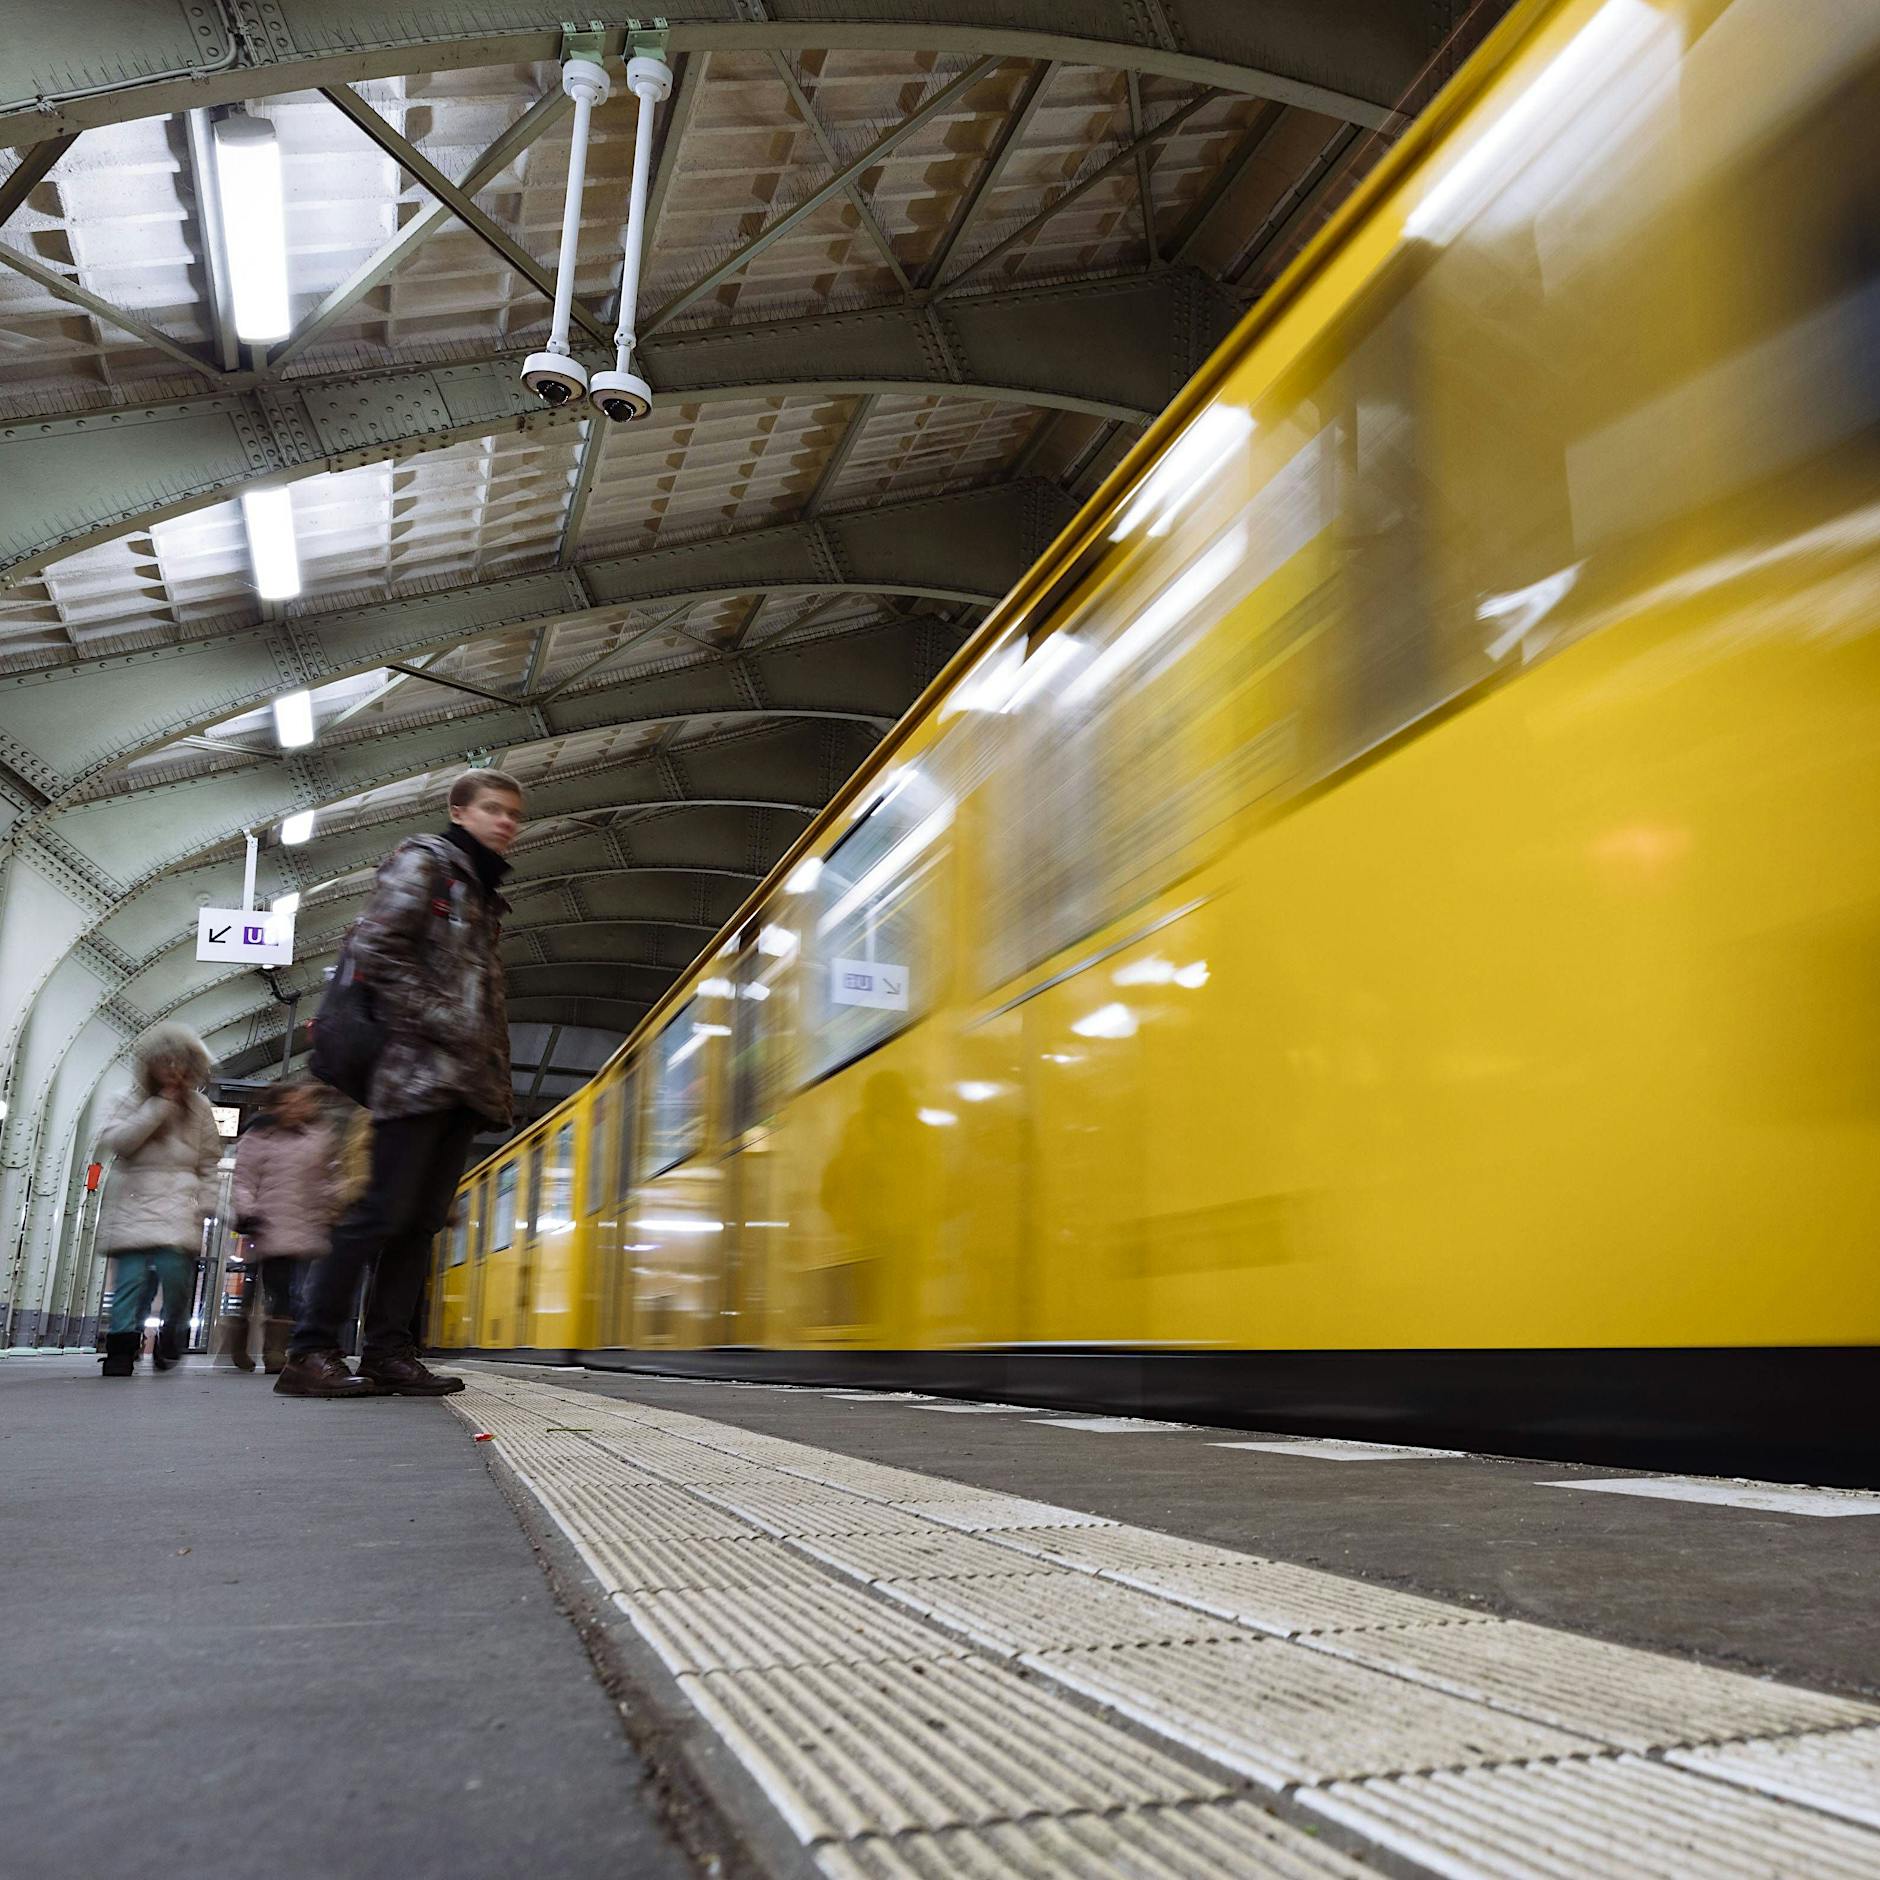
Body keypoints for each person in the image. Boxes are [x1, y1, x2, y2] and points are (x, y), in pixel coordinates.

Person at [275, 768, 521, 1398]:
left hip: (459, 1081)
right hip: (415, 1073)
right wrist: (448, 1023)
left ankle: (388, 1351)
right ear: (458, 811)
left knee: (418, 1223)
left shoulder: (484, 894)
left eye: (513, 815)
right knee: (377, 1213)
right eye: (492, 809)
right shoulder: (426, 864)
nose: (505, 823)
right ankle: (309, 1352)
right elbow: (378, 948)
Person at [93, 1024, 222, 1378]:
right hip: (134, 1196)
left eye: (181, 1063)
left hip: (180, 1202)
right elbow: (120, 1142)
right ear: (149, 1064)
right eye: (165, 1062)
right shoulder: (127, 1098)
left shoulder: (200, 1108)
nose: (174, 1071)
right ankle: (121, 1347)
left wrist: (207, 1202)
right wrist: (160, 1105)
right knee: (130, 1280)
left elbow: (209, 1161)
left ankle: (172, 1331)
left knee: (176, 1278)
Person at [224, 1082, 340, 1374]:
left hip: (301, 1228)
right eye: (288, 1103)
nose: (296, 1108)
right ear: (275, 1107)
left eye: (300, 1102)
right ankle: (239, 1344)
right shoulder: (258, 1137)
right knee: (253, 1288)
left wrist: (333, 1206)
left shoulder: (317, 1137)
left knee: (285, 1291)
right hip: (263, 1225)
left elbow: (328, 1178)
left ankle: (275, 1351)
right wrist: (247, 1211)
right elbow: (244, 1180)